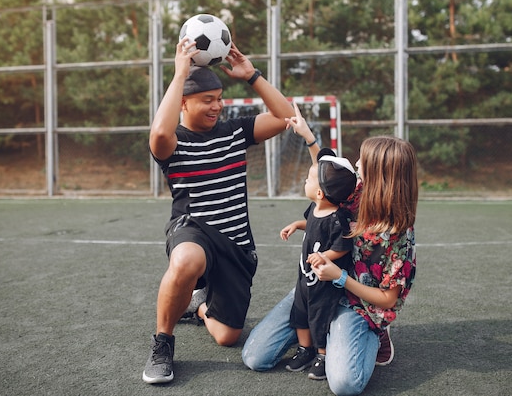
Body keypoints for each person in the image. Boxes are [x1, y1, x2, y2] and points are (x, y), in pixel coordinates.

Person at [143, 38, 295, 384]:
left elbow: (288, 117)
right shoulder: (173, 143)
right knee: (186, 261)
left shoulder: (234, 132)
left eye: (220, 99)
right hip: (194, 229)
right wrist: (180, 73)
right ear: (183, 102)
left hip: (236, 245)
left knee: (228, 336)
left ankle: (197, 303)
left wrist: (252, 75)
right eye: (208, 100)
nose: (218, 107)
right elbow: (159, 131)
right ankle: (162, 344)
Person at [242, 134, 418, 396]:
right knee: (255, 357)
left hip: (357, 303)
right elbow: (326, 177)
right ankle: (317, 333)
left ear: (380, 177)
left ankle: (372, 334)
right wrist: (309, 137)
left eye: (363, 162)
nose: (356, 164)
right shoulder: (354, 193)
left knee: (345, 384)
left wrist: (340, 278)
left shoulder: (398, 235)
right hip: (316, 288)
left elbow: (388, 299)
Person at [279, 108, 357, 380]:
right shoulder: (314, 209)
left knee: (318, 317)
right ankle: (305, 349)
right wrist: (296, 225)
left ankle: (323, 355)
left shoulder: (338, 218)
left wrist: (326, 256)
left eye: (309, 179)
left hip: (324, 283)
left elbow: (343, 247)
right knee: (299, 313)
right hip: (304, 277)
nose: (305, 179)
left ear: (321, 192)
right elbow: (309, 225)